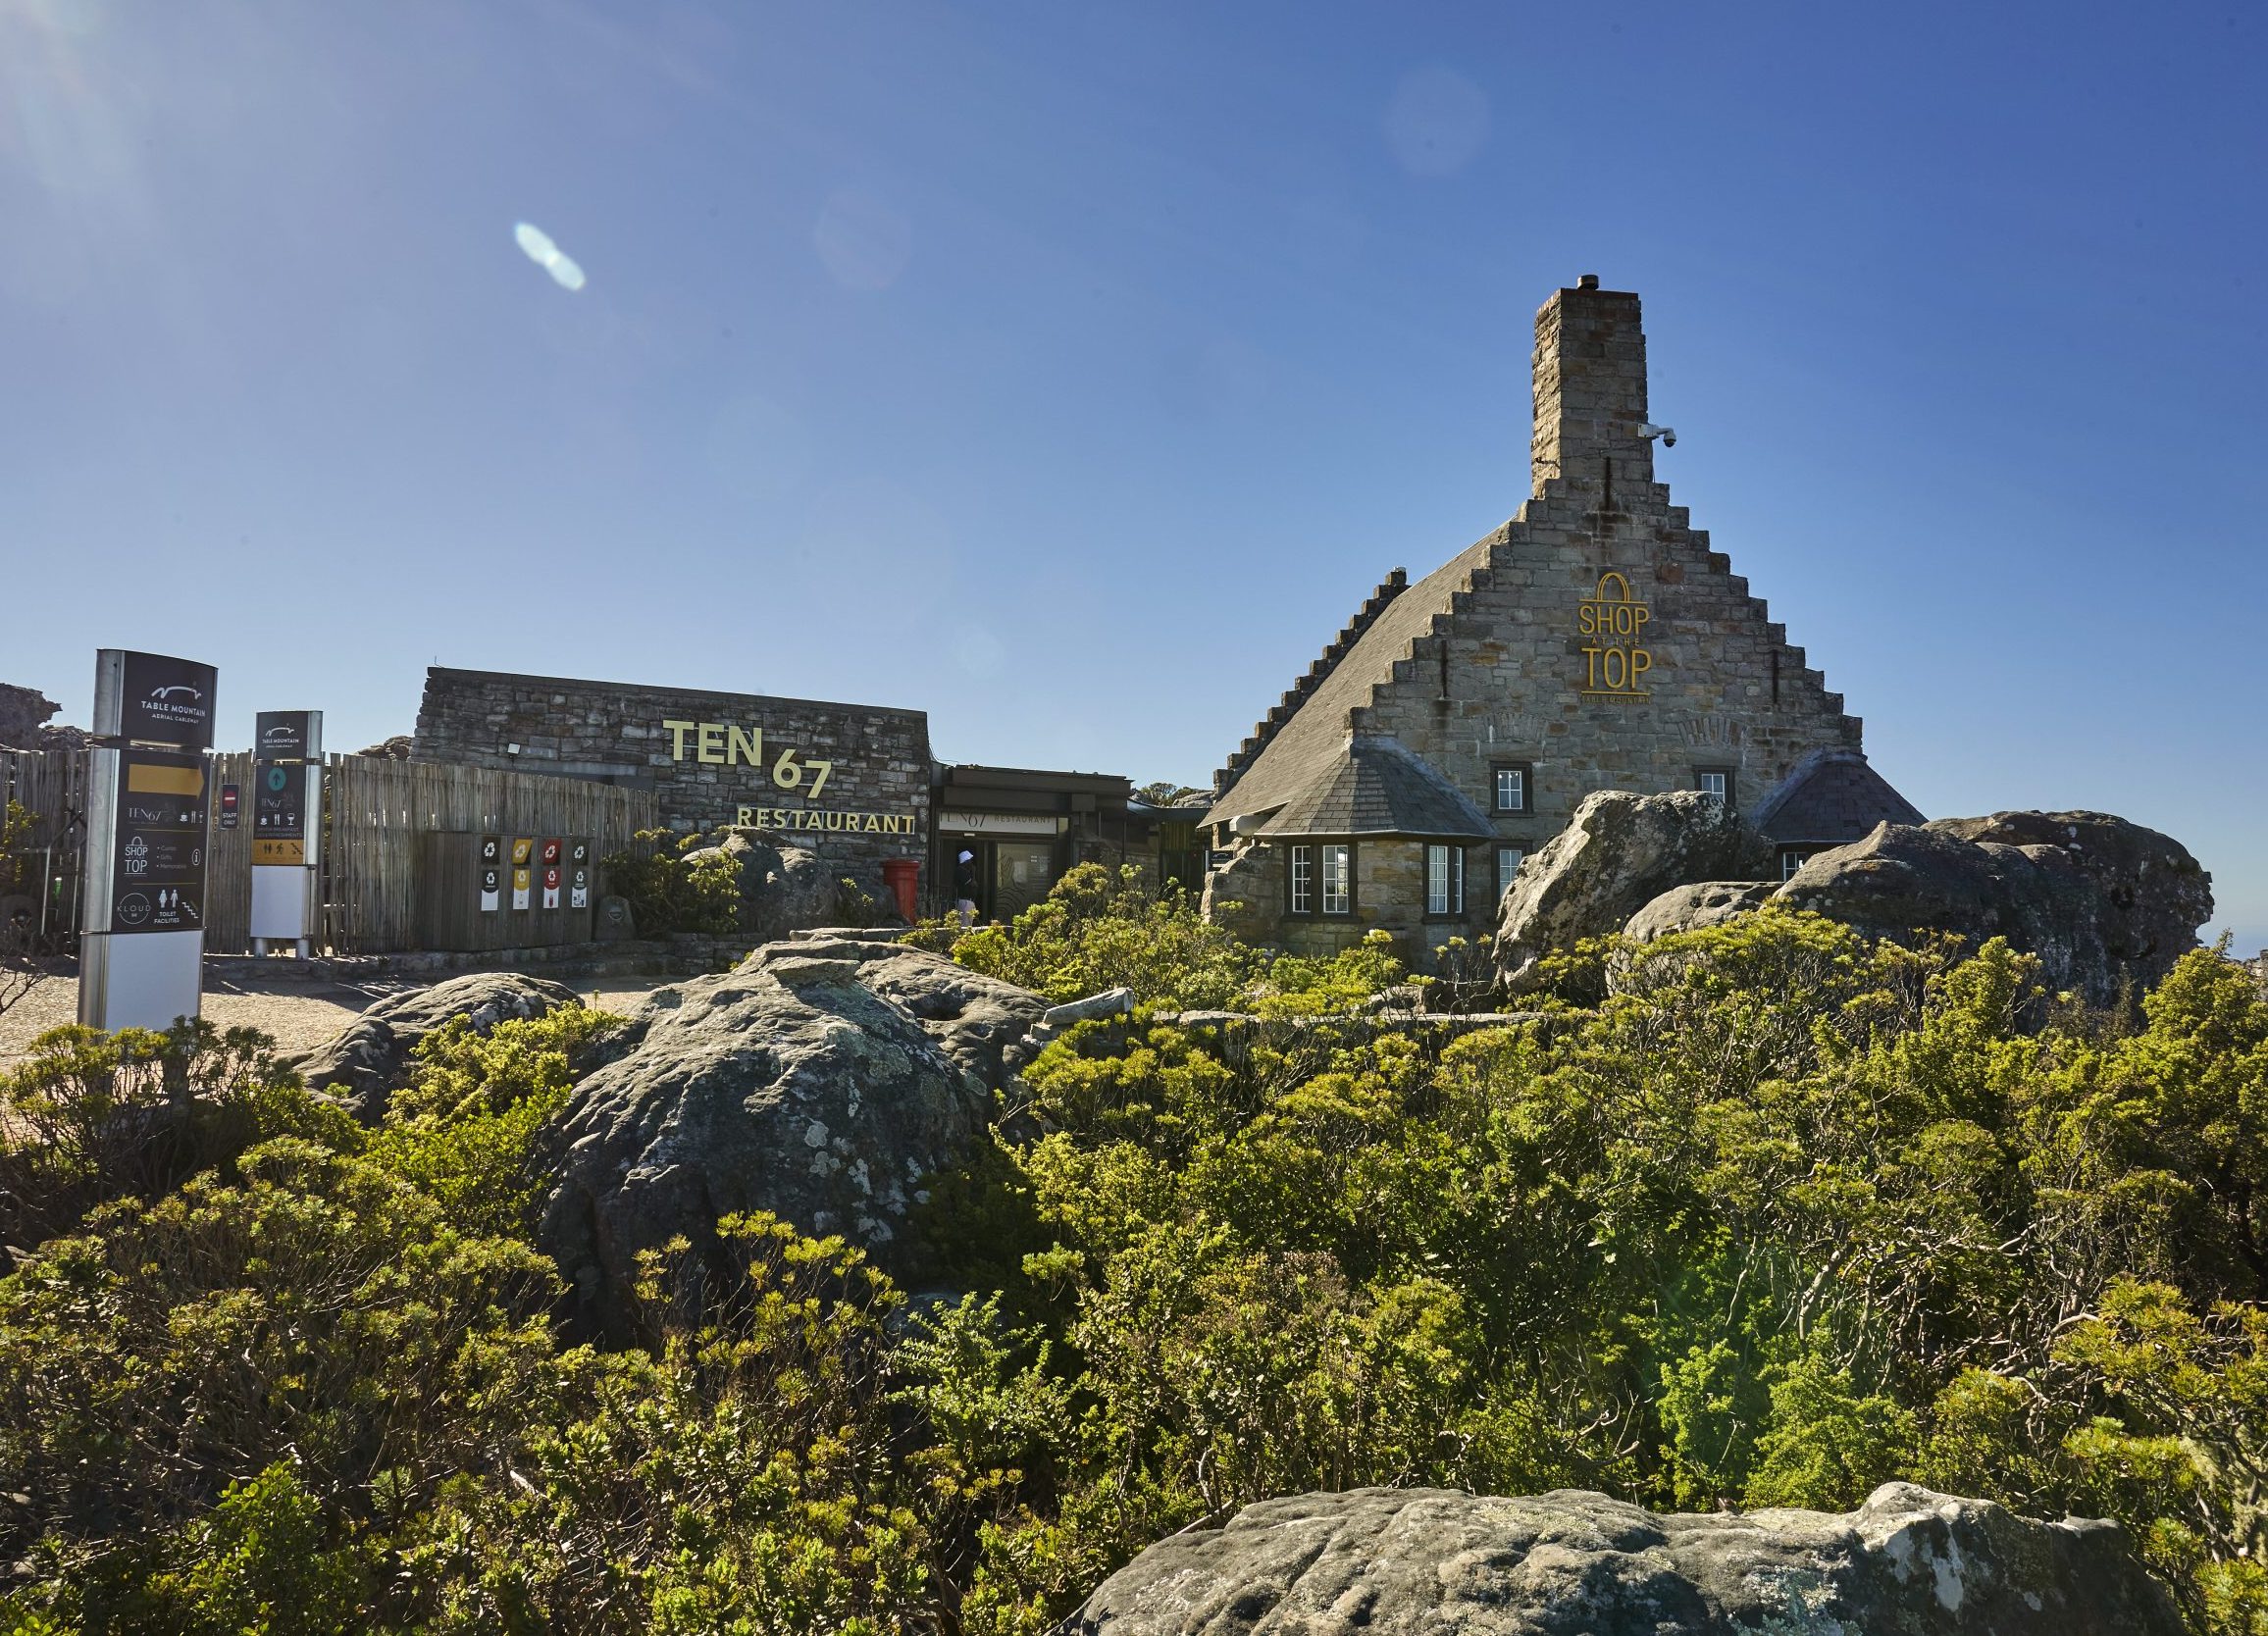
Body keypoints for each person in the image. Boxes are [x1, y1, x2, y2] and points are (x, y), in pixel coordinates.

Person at [952, 849, 981, 929]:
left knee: (969, 925)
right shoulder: (961, 871)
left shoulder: (966, 871)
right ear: (965, 861)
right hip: (965, 902)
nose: (971, 863)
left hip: (969, 901)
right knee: (965, 927)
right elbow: (973, 884)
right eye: (970, 860)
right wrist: (974, 872)